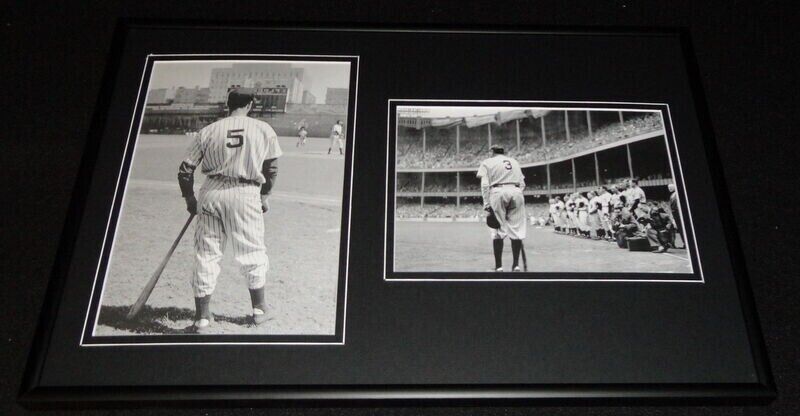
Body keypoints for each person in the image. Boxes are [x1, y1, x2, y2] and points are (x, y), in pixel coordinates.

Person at [177, 88, 282, 334]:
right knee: (252, 251)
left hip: (211, 192)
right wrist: (265, 195)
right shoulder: (263, 128)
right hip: (246, 194)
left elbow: (185, 170)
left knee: (206, 254)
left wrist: (190, 198)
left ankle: (202, 319)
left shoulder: (208, 130)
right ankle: (260, 310)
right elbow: (272, 168)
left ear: (228, 104)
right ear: (251, 104)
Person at [477, 145, 526, 272]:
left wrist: (486, 203)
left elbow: (485, 184)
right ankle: (516, 265)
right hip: (516, 191)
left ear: (492, 152)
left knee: (498, 231)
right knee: (517, 230)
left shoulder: (487, 162)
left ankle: (499, 267)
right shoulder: (514, 162)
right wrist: (516, 192)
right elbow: (523, 183)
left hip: (498, 191)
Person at [668, 183, 684, 248]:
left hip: (678, 213)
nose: (669, 189)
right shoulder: (672, 195)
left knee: (682, 228)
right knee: (680, 228)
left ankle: (685, 243)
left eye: (671, 187)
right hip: (675, 213)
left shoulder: (676, 195)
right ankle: (684, 243)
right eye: (669, 187)